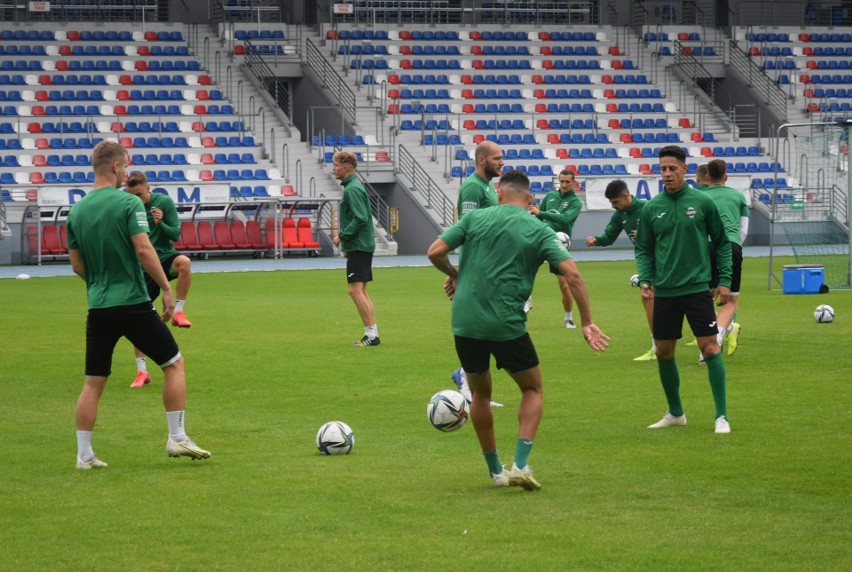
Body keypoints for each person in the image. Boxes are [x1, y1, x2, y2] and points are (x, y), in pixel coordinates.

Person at [427, 170, 609, 490]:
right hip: (506, 324)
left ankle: (496, 472)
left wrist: (456, 275)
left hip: (465, 322)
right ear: (530, 200)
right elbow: (574, 276)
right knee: (532, 389)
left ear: (499, 194)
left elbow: (434, 252)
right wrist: (587, 321)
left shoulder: (475, 218)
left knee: (480, 394)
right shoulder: (538, 228)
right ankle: (520, 465)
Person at [66, 140, 210, 469]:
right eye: (126, 166)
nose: (127, 171)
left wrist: (100, 283)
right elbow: (145, 250)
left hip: (98, 306)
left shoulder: (77, 211)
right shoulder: (128, 204)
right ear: (116, 167)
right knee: (174, 364)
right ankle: (176, 437)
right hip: (131, 301)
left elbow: (76, 266)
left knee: (93, 381)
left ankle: (84, 454)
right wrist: (166, 289)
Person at [634, 145, 733, 434]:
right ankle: (676, 413)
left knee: (711, 348)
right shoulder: (652, 207)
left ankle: (721, 417)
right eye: (663, 168)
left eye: (672, 168)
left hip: (696, 289)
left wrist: (724, 279)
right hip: (665, 292)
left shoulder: (702, 203)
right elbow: (644, 249)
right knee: (664, 352)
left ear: (684, 170)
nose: (666, 173)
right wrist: (645, 278)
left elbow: (723, 242)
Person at [124, 172, 193, 388]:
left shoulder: (163, 202)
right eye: (131, 195)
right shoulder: (128, 207)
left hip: (163, 257)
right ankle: (142, 371)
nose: (136, 198)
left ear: (148, 188)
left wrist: (160, 223)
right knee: (137, 319)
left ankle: (179, 311)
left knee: (184, 263)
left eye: (139, 194)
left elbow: (175, 235)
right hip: (143, 267)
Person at [450, 141, 504, 404]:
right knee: (487, 324)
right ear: (481, 160)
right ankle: (467, 378)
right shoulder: (473, 186)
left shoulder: (487, 186)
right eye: (496, 158)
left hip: (491, 265)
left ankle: (469, 379)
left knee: (492, 324)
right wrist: (460, 271)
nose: (501, 162)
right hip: (479, 267)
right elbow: (467, 228)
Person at [584, 180, 655, 361]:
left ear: (626, 196)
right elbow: (609, 236)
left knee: (676, 299)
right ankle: (657, 346)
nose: (613, 206)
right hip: (646, 262)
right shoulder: (620, 215)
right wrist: (596, 240)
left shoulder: (648, 208)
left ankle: (717, 327)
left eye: (615, 202)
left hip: (663, 261)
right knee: (650, 299)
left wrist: (649, 235)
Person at [331, 151, 379, 347]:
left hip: (360, 245)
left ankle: (371, 335)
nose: (333, 169)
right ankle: (372, 333)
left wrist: (341, 237)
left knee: (355, 290)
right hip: (360, 245)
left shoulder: (352, 189)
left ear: (345, 167)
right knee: (362, 290)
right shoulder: (353, 187)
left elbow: (361, 218)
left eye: (335, 165)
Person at [703, 159, 748, 358]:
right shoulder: (738, 196)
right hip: (731, 246)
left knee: (703, 299)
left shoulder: (700, 197)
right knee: (731, 301)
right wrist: (735, 246)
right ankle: (720, 334)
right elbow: (744, 230)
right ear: (726, 176)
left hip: (706, 247)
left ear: (706, 177)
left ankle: (714, 339)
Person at [528, 168, 583, 327]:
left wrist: (540, 213)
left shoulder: (576, 202)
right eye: (562, 181)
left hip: (558, 245)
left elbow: (565, 219)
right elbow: (539, 216)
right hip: (541, 239)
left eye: (567, 182)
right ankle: (527, 298)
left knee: (565, 285)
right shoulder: (551, 196)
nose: (564, 185)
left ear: (574, 183)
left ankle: (568, 317)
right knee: (526, 269)